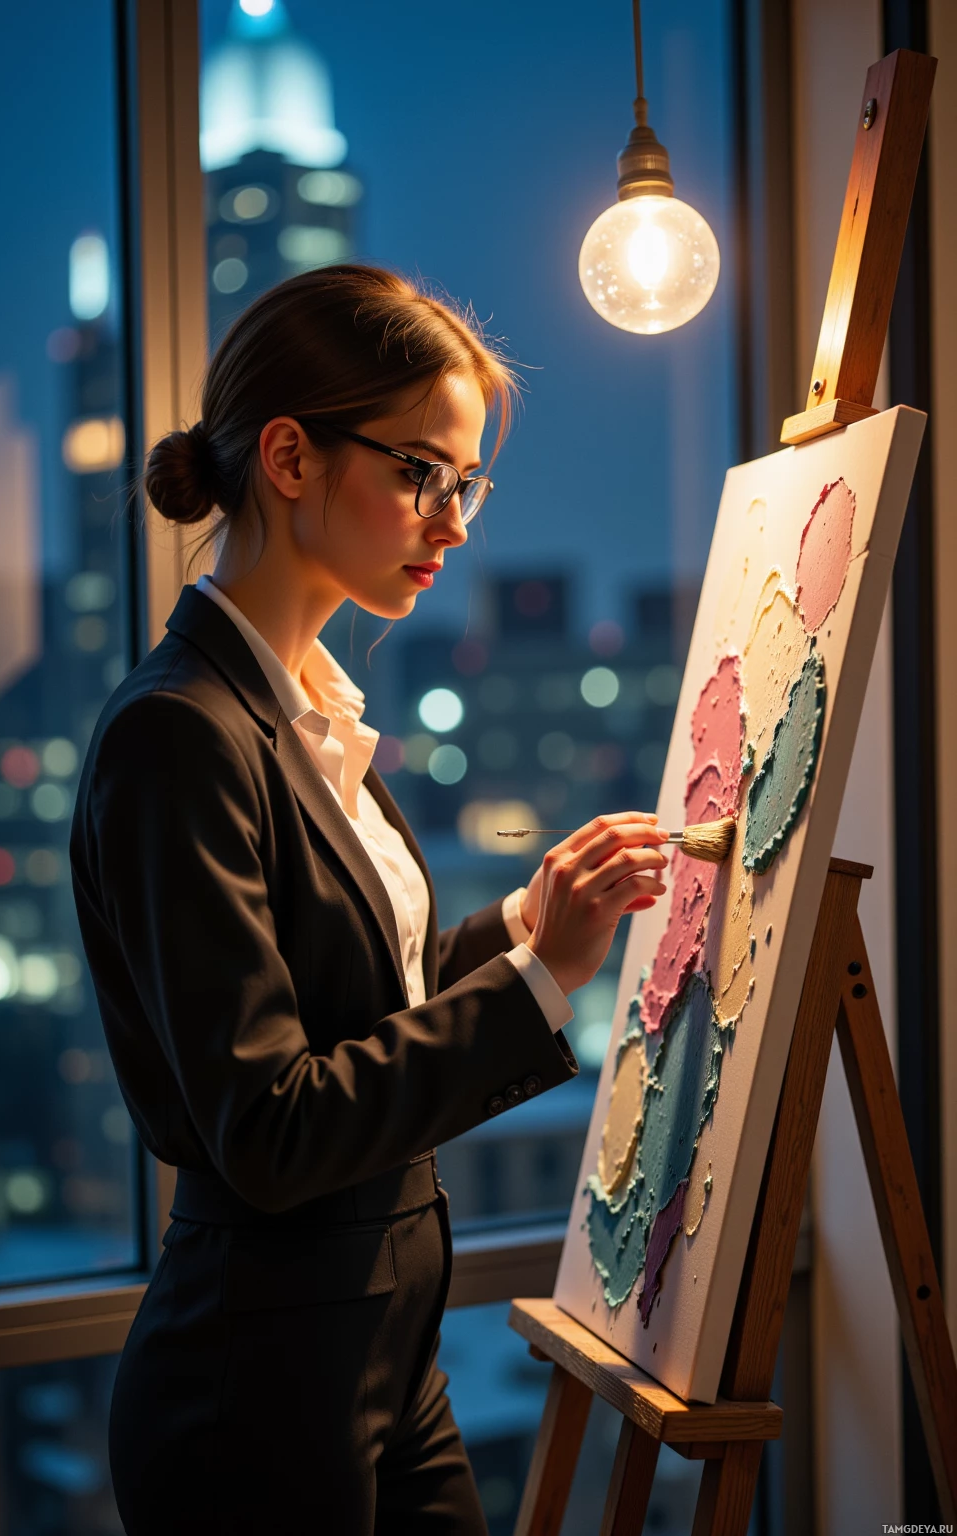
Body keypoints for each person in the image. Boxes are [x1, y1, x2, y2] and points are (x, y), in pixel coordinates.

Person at [69, 263, 668, 1535]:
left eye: (466, 484)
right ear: (288, 456)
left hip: (385, 1354)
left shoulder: (313, 716)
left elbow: (363, 1002)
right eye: (419, 474)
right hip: (256, 1394)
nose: (452, 521)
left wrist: (522, 925)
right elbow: (273, 1125)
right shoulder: (180, 738)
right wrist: (538, 980)